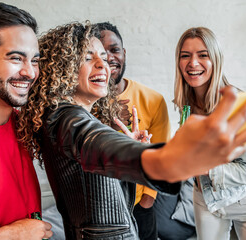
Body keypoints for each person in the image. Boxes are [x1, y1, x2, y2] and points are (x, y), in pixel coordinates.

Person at [16, 21, 246, 239]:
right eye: (87, 57)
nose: (103, 65)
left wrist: (134, 146)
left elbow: (105, 169)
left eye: (103, 56)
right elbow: (93, 141)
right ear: (64, 68)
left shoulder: (77, 114)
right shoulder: (66, 118)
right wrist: (174, 158)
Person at [173, 27, 246, 240]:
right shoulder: (186, 105)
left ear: (216, 60)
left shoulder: (238, 105)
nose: (193, 63)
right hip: (205, 199)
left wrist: (203, 164)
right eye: (186, 56)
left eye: (203, 55)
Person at [0, 3, 52, 239]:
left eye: (35, 60)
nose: (30, 72)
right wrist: (11, 235)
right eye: (16, 58)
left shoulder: (25, 124)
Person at [96, 21, 171, 240]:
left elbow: (163, 155)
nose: (110, 57)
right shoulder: (82, 103)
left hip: (140, 205)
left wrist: (147, 200)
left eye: (114, 50)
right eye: (101, 52)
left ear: (124, 53)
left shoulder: (153, 100)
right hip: (100, 204)